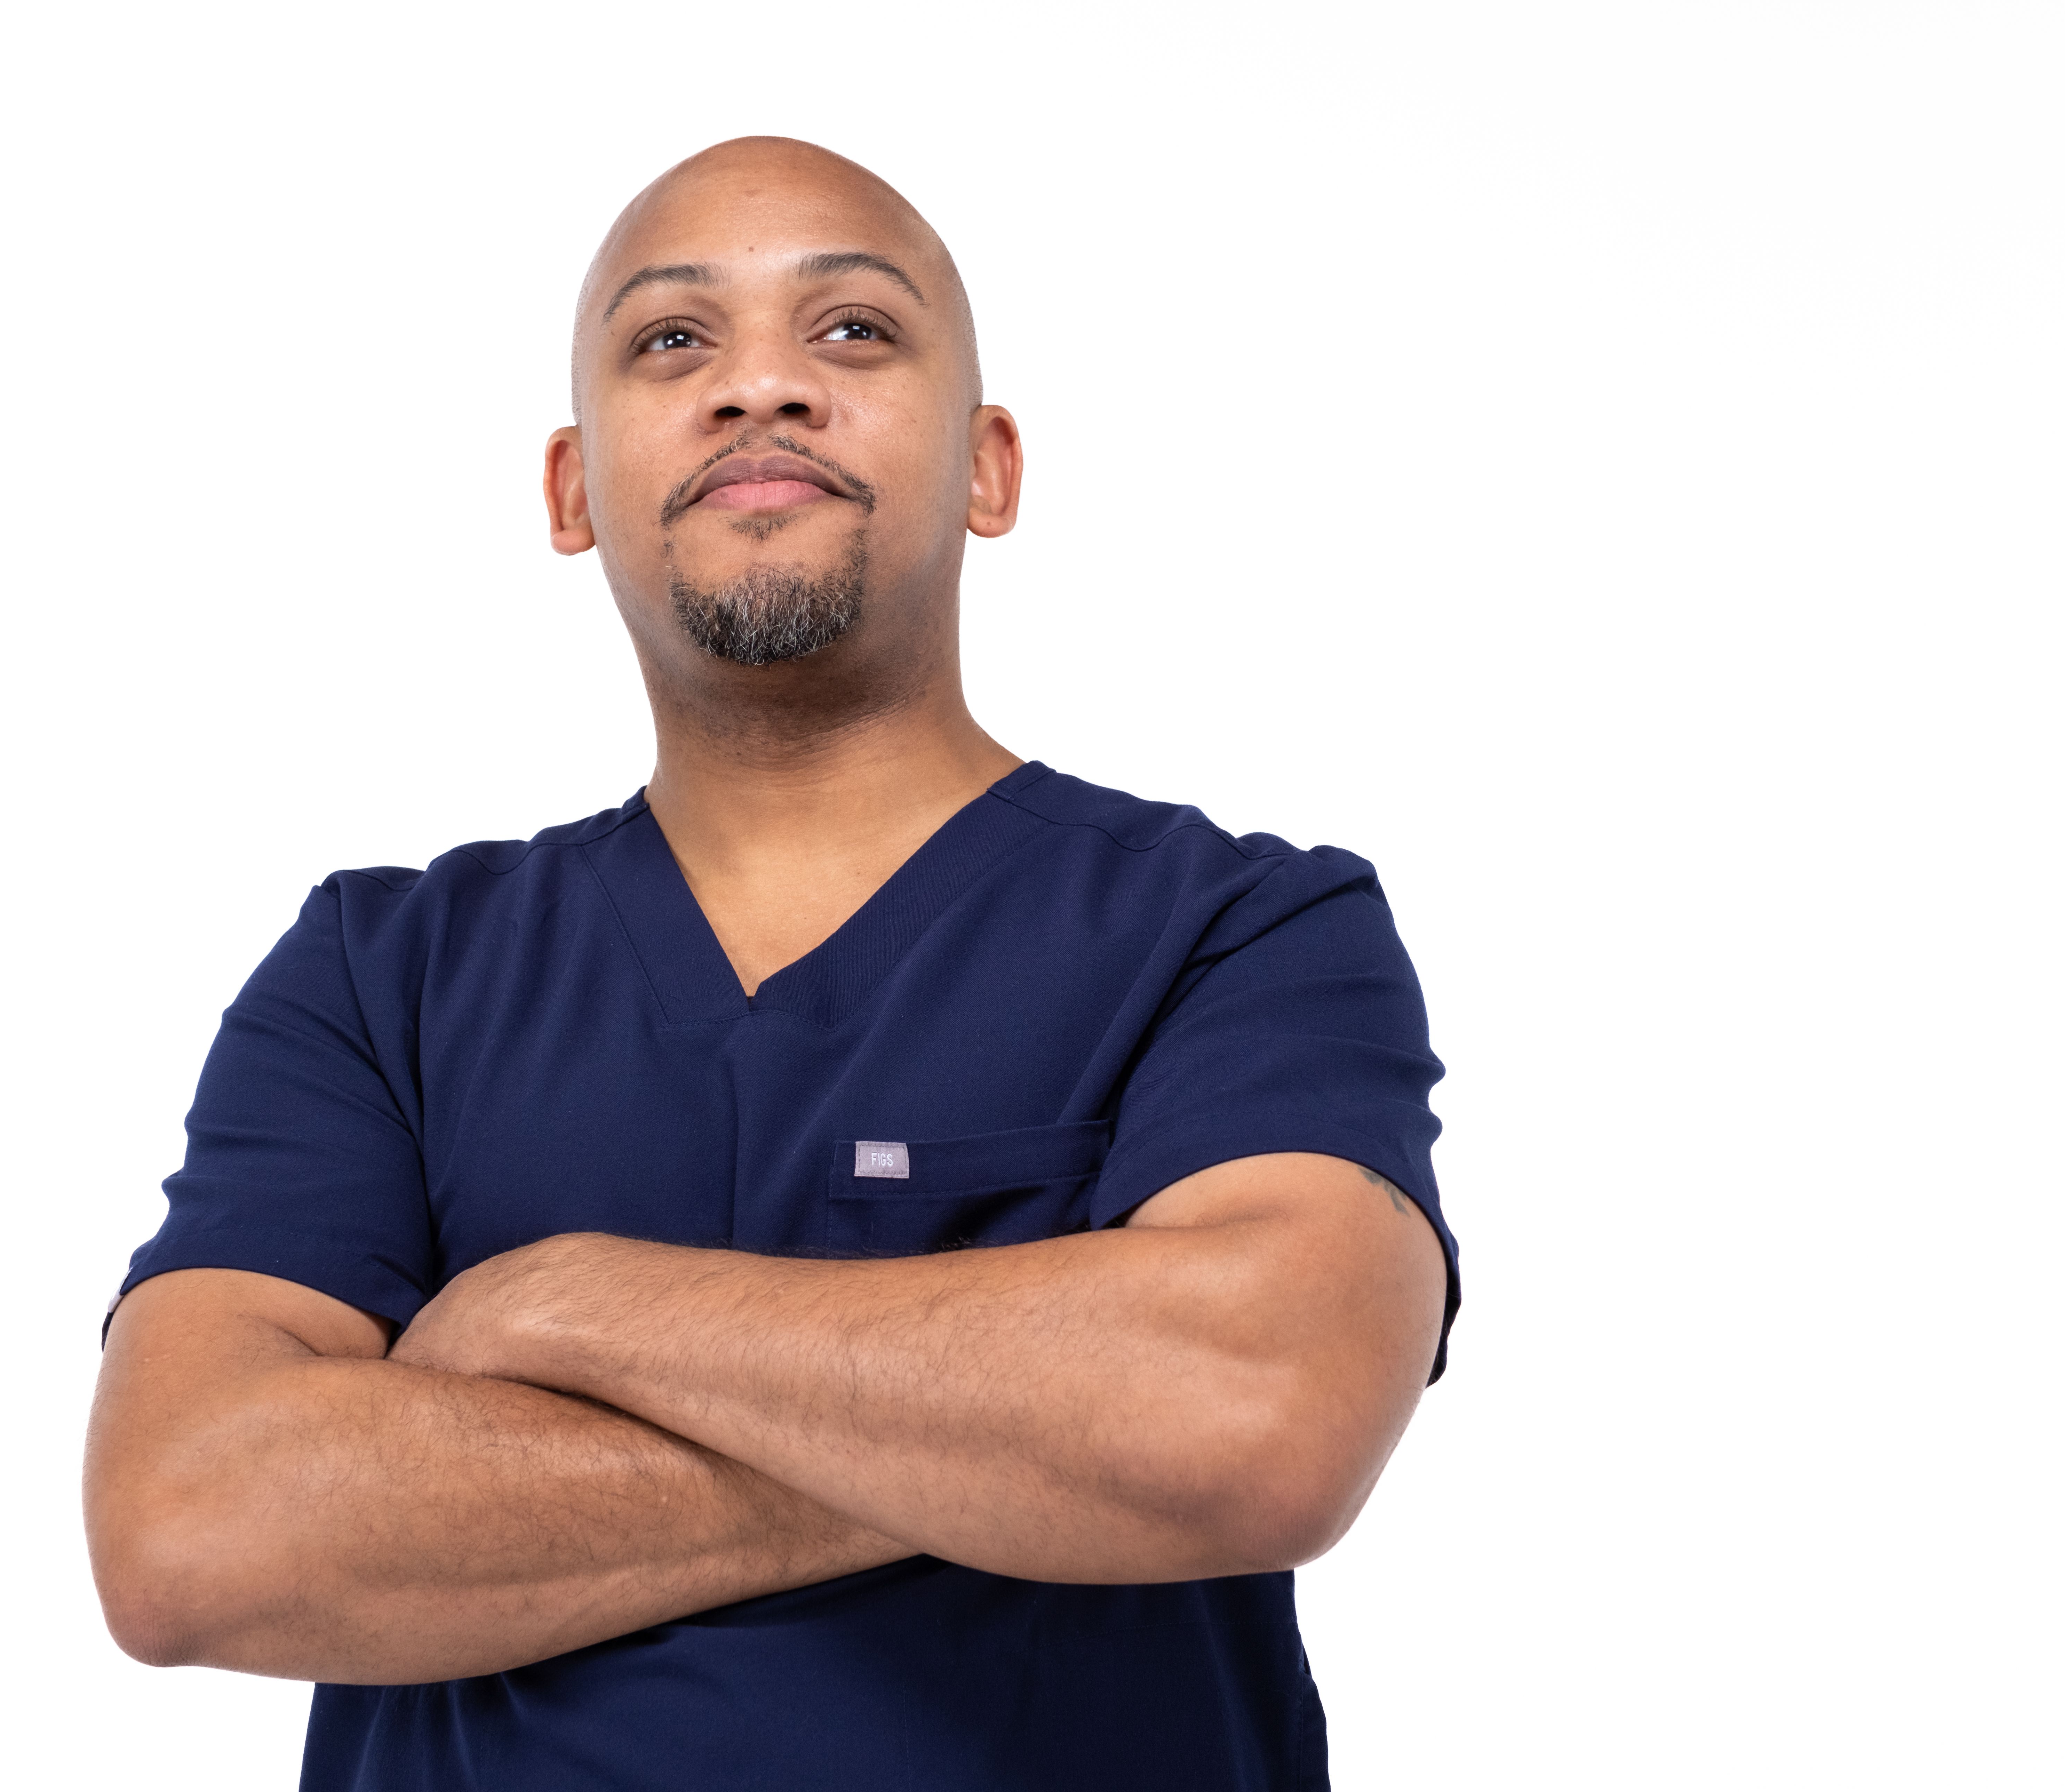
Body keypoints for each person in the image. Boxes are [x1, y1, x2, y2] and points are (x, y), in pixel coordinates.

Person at [85, 135, 1459, 1792]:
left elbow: (1255, 1419)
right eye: (673, 341)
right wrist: (1022, 1443)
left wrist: (552, 1304)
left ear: (990, 467)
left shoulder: (1241, 931)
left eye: (854, 332)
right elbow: (194, 1529)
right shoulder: (382, 977)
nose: (761, 388)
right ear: (573, 491)